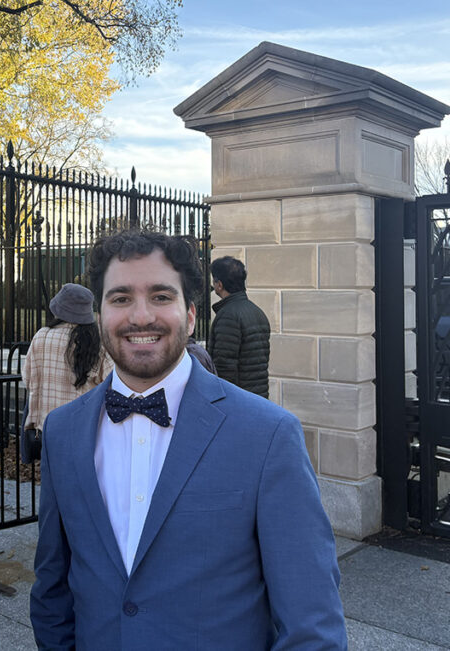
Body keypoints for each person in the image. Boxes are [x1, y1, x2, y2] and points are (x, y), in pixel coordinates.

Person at [30, 229, 346, 650]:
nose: (140, 316)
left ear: (192, 314)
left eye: (161, 296)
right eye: (120, 298)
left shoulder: (268, 435)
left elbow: (312, 626)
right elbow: (52, 589)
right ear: (100, 313)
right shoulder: (61, 431)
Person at [21, 283, 112, 463]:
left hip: (47, 430)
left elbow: (28, 378)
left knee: (51, 485)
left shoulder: (42, 336)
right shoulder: (98, 344)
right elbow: (112, 385)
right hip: (85, 431)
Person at [208, 255, 272, 397]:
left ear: (219, 284)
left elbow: (224, 367)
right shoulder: (257, 311)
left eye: (214, 281)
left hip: (239, 400)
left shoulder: (228, 315)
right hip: (257, 397)